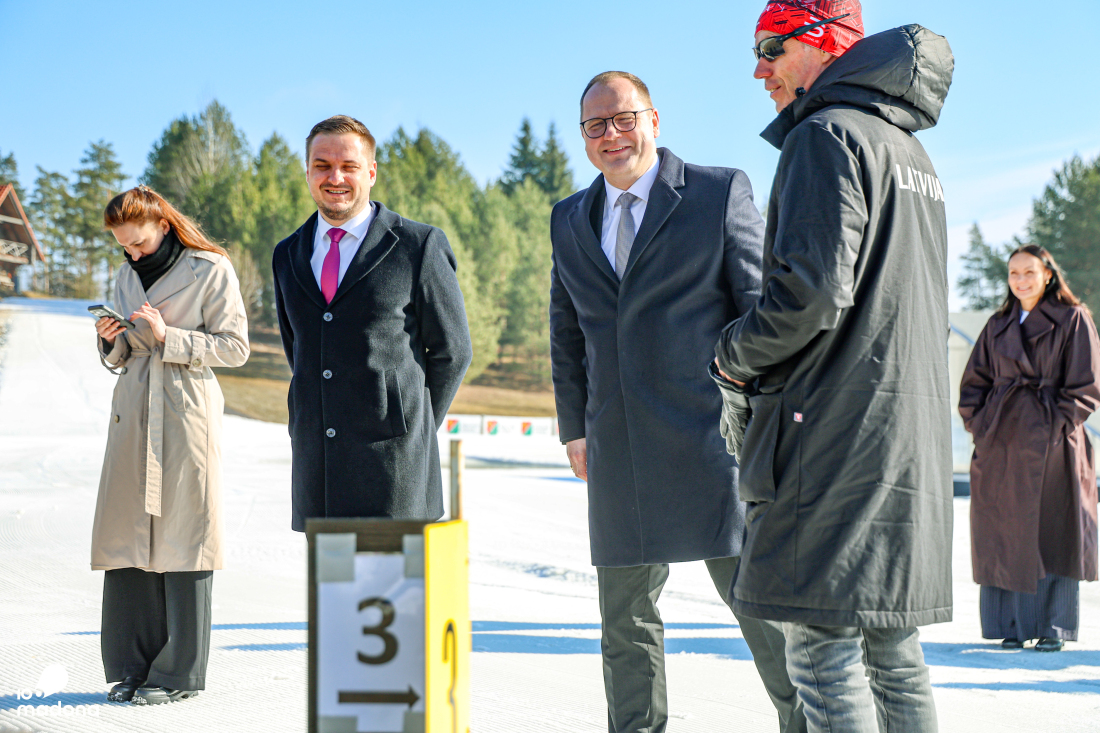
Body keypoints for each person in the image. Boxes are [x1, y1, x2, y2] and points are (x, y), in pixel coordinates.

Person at [713, 2, 954, 731]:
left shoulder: (824, 135)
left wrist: (731, 353)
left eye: (771, 48)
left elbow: (811, 295)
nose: (759, 70)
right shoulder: (911, 154)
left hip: (831, 436)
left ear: (822, 41)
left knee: (822, 653)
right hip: (901, 439)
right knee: (894, 654)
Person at [549, 71, 805, 733]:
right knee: (624, 619)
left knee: (758, 606)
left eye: (624, 118)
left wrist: (761, 417)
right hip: (618, 444)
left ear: (654, 120)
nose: (611, 134)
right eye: (595, 125)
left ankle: (808, 723)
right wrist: (575, 426)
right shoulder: (568, 218)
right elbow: (567, 329)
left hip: (713, 437)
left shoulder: (718, 191)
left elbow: (757, 308)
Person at [272, 115, 471, 531]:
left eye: (349, 166)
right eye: (322, 166)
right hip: (318, 476)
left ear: (372, 172)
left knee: (387, 579)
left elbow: (453, 352)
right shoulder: (287, 254)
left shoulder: (419, 246)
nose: (335, 177)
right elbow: (300, 350)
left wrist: (411, 427)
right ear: (307, 172)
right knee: (330, 578)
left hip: (394, 478)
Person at [91, 185, 250, 705]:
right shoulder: (125, 274)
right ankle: (132, 666)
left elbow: (235, 348)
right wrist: (111, 339)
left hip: (185, 413)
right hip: (133, 411)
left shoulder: (211, 269)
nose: (132, 254)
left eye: (138, 242)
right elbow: (125, 352)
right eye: (123, 246)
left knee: (186, 535)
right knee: (129, 537)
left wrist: (169, 337)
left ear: (163, 225)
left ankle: (179, 673)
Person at [959, 245, 1100, 652]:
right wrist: (981, 427)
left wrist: (1055, 424)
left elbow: (1086, 384)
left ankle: (1052, 627)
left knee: (1053, 530)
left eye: (1029, 272)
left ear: (1048, 275)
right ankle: (1011, 626)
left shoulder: (1073, 318)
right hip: (1001, 443)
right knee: (1003, 532)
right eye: (1013, 273)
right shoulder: (998, 324)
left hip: (1054, 445)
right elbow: (973, 385)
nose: (1020, 281)